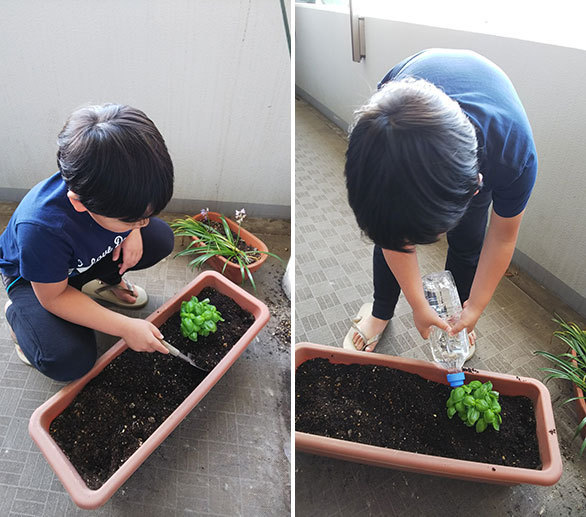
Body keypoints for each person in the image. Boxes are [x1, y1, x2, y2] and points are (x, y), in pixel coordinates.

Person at [343, 49, 537, 356]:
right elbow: (391, 234)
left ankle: (456, 318)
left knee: (468, 242)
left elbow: (502, 237)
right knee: (390, 229)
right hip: (415, 88)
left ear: (475, 188)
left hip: (480, 152)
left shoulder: (514, 158)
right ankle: (381, 311)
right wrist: (418, 304)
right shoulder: (381, 118)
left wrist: (476, 306)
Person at [0, 104, 175, 381]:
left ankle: (98, 283)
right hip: (36, 282)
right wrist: (126, 327)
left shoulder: (105, 193)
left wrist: (133, 231)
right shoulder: (41, 229)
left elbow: (137, 221)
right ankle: (20, 317)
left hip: (76, 263)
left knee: (159, 238)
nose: (143, 222)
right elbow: (54, 297)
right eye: (133, 219)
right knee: (69, 360)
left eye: (146, 215)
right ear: (79, 204)